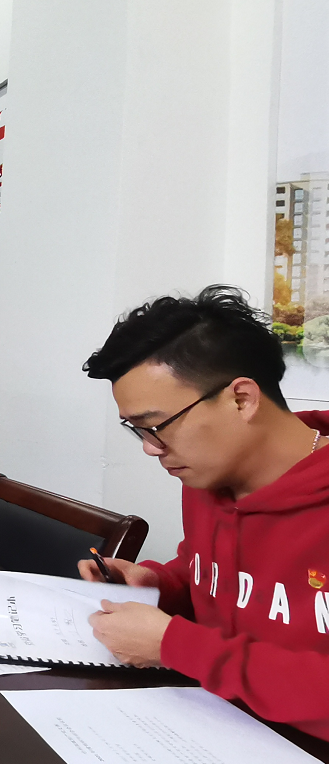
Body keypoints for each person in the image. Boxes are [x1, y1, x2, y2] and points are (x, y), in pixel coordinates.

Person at [79, 285, 329, 740]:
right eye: (139, 431)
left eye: (157, 426)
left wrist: (177, 647)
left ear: (242, 399)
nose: (151, 448)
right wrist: (158, 584)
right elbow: (210, 574)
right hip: (206, 724)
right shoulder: (207, 476)